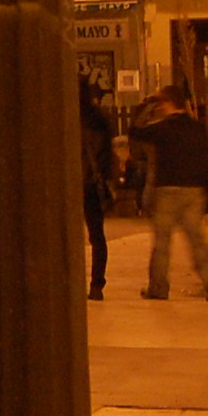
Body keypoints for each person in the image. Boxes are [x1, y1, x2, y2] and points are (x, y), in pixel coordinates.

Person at [131, 87, 208, 302]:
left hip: (168, 191)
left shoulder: (162, 128)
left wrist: (145, 106)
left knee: (162, 243)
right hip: (194, 190)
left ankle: (159, 288)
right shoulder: (199, 129)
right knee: (197, 241)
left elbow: (136, 132)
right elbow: (207, 164)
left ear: (165, 103)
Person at [80, 80, 116, 300]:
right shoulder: (100, 120)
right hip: (92, 184)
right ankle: (96, 284)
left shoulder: (62, 116)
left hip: (68, 184)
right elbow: (107, 157)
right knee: (97, 236)